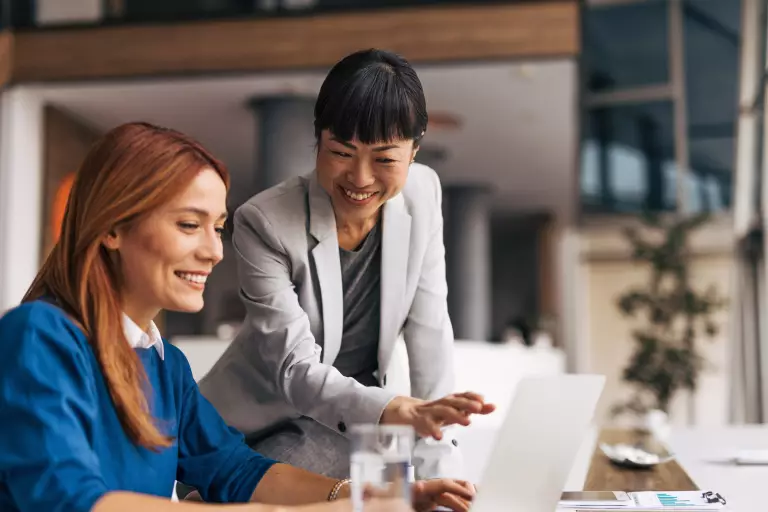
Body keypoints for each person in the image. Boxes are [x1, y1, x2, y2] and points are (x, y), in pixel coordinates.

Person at [0, 122, 476, 512]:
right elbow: (70, 502)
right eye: (190, 225)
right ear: (112, 229)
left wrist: (368, 499)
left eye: (218, 228)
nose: (213, 251)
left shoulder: (165, 367)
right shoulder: (39, 337)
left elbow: (237, 470)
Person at [199, 48, 495, 480]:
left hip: (349, 423)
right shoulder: (264, 221)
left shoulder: (423, 194)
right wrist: (396, 411)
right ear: (318, 138)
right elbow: (296, 370)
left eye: (385, 159)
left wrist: (441, 471)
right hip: (252, 427)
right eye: (341, 152)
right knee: (370, 470)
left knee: (391, 469)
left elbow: (430, 331)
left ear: (414, 151)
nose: (360, 178)